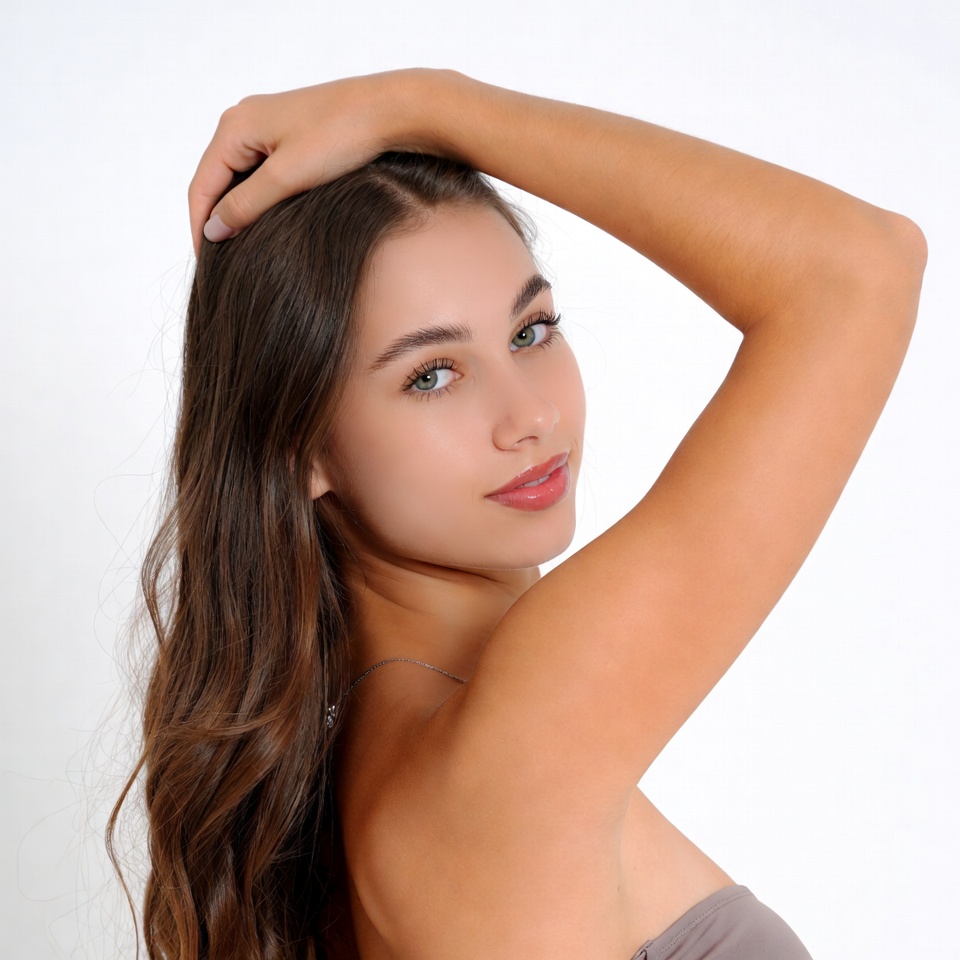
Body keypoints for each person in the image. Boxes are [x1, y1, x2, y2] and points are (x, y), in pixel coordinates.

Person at [114, 69, 926, 959]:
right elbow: (861, 267)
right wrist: (427, 100)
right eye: (432, 375)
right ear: (301, 449)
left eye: (531, 330)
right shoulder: (513, 734)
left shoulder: (374, 761)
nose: (530, 416)